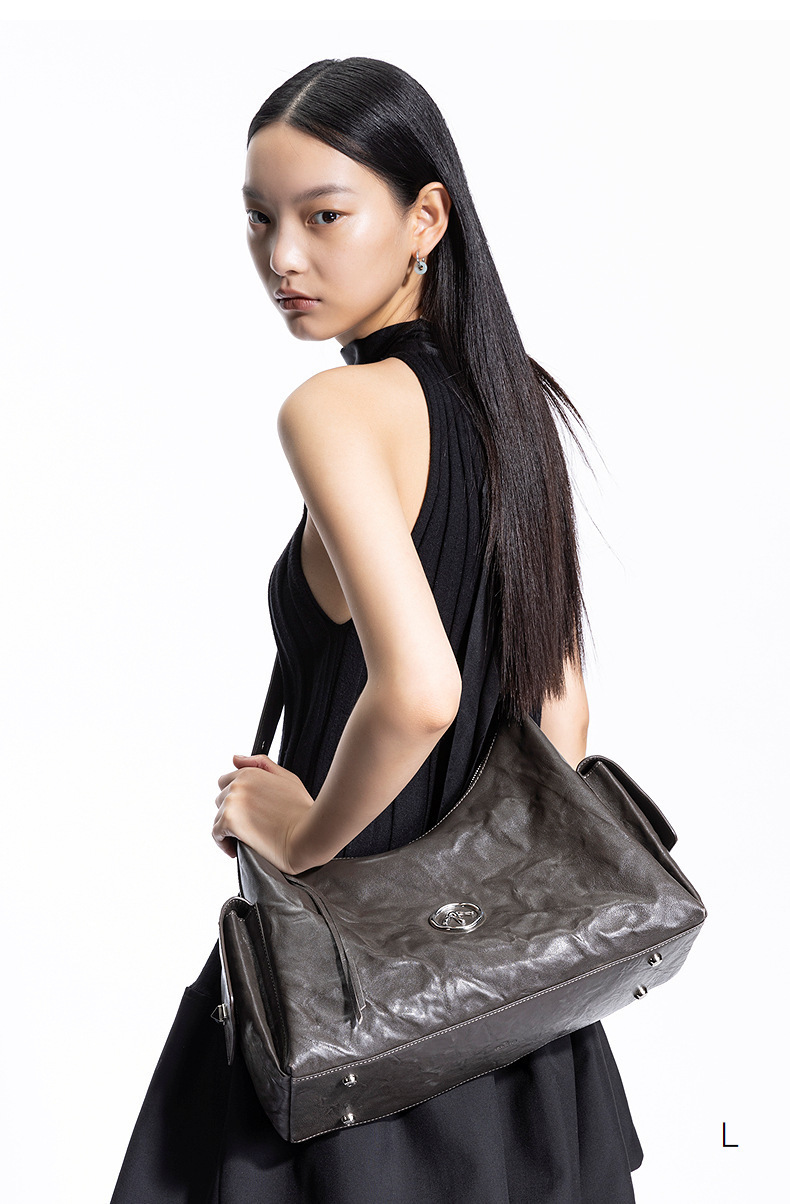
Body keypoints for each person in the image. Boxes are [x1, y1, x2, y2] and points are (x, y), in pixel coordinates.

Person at [110, 56, 644, 1204]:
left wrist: (302, 836)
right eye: (259, 220)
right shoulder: (516, 406)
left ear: (425, 219)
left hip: (353, 1006)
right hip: (517, 1019)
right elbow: (561, 717)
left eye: (323, 216)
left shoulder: (336, 409)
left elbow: (419, 689)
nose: (282, 258)